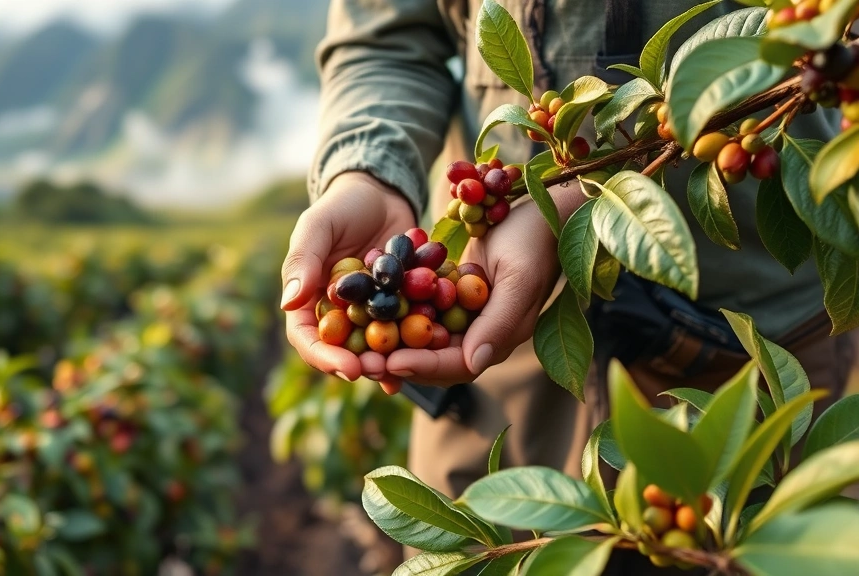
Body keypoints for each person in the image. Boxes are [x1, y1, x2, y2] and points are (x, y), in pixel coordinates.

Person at [281, 0, 857, 570]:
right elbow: (388, 36)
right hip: (494, 350)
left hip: (750, 336)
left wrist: (574, 195)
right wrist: (370, 170)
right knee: (483, 548)